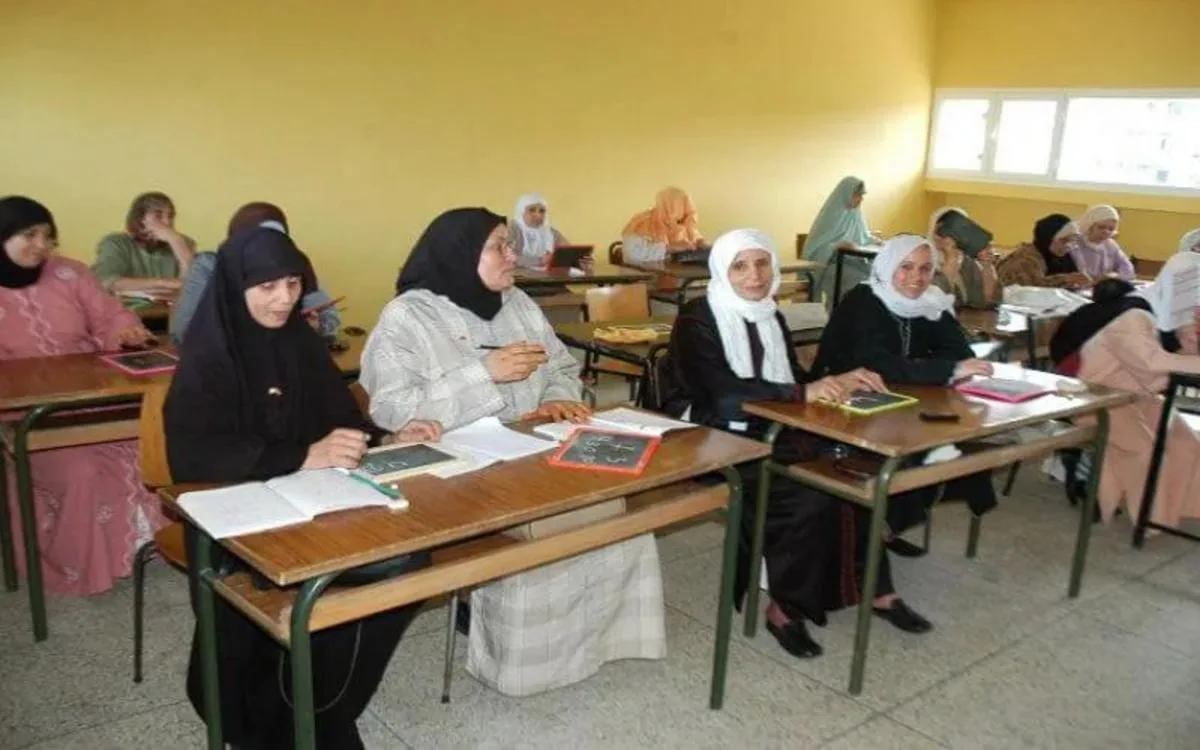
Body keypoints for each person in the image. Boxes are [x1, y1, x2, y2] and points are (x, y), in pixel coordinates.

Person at [360, 207, 666, 696]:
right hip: (457, 464)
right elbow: (392, 410)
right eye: (498, 246)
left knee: (613, 507)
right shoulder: (408, 317)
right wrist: (485, 373)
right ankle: (530, 663)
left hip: (531, 446)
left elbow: (561, 366)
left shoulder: (518, 302)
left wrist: (557, 398)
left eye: (510, 244)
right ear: (460, 254)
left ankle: (596, 641)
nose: (512, 256)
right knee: (557, 520)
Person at [163, 226, 440, 749]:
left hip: (314, 502)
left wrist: (386, 437)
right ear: (235, 287)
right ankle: (281, 715)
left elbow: (340, 418)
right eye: (267, 286)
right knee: (347, 574)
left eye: (293, 283)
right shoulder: (209, 357)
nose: (284, 298)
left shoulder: (299, 341)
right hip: (233, 521)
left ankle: (319, 703)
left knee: (405, 561)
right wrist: (301, 456)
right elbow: (195, 459)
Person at [663, 228, 937, 658]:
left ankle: (874, 588)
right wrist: (801, 393)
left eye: (762, 263)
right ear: (720, 271)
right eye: (740, 266)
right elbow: (721, 395)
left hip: (771, 425)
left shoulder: (770, 313)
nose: (754, 276)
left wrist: (836, 383)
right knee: (806, 492)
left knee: (856, 469)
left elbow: (791, 379)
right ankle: (784, 609)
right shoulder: (697, 318)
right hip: (711, 434)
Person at [0, 196, 163, 595]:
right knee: (82, 470)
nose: (41, 246)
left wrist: (125, 331)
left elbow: (110, 314)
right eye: (29, 235)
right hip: (26, 416)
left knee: (150, 447)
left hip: (91, 400)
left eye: (48, 237)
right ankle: (79, 564)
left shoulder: (69, 273)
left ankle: (143, 547)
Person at [811, 234, 999, 523]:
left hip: (905, 398)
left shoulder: (931, 301)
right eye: (906, 267)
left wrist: (937, 367)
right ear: (887, 266)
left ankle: (897, 517)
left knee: (961, 440)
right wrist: (942, 369)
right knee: (909, 452)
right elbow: (876, 365)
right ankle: (883, 524)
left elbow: (960, 353)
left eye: (925, 268)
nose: (917, 277)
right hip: (842, 405)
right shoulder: (863, 301)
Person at [1048, 229, 1200, 528]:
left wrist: (1191, 338)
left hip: (1135, 395)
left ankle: (1178, 509)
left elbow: (1183, 353)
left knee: (1185, 441)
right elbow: (1152, 363)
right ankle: (1149, 518)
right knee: (1143, 449)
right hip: (1093, 396)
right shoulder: (1133, 316)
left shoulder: (1170, 315)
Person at [169, 201, 340, 344]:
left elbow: (331, 320)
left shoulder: (292, 264)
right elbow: (183, 331)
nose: (268, 244)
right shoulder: (211, 265)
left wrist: (317, 326)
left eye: (276, 237)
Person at [93, 191, 196, 295]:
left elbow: (193, 287)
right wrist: (166, 283)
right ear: (140, 220)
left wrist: (176, 242)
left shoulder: (182, 243)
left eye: (170, 216)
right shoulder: (115, 243)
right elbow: (105, 281)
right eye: (158, 216)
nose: (167, 222)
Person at [801, 176, 880, 307]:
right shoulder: (830, 216)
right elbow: (815, 249)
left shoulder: (855, 215)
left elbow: (863, 237)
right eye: (857, 195)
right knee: (859, 282)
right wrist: (837, 246)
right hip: (831, 264)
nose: (861, 199)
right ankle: (839, 316)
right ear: (846, 194)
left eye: (862, 195)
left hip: (853, 262)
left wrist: (877, 241)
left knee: (876, 279)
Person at [927, 207, 1001, 309]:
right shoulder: (924, 262)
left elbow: (986, 300)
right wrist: (951, 258)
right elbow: (934, 301)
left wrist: (987, 266)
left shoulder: (967, 262)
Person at [996, 214, 1092, 289]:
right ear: (1047, 238)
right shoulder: (1025, 259)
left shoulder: (1058, 257)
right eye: (1064, 241)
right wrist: (1067, 279)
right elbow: (1031, 289)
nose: (1069, 246)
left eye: (1072, 241)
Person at [620, 187, 705, 262]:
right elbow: (633, 255)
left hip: (675, 273)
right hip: (645, 274)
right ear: (668, 210)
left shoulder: (685, 224)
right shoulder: (641, 223)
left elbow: (695, 239)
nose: (682, 223)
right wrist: (670, 248)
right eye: (679, 219)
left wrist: (701, 243)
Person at [507, 193, 582, 269]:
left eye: (542, 211)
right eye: (532, 210)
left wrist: (581, 261)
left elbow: (569, 251)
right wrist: (540, 261)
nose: (538, 215)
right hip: (517, 275)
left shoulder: (550, 232)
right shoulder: (511, 228)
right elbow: (508, 256)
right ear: (521, 212)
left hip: (545, 275)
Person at [1068, 204, 1136, 281]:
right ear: (1090, 225)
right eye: (1101, 227)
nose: (1106, 232)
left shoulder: (1111, 245)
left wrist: (1113, 276)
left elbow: (1128, 269)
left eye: (1111, 229)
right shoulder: (1074, 243)